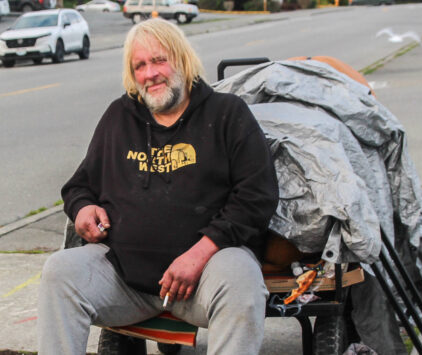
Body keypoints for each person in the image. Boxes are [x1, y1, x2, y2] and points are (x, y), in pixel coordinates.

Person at [38, 18, 279, 355]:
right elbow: (80, 185)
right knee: (59, 272)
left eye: (159, 60)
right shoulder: (118, 118)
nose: (150, 74)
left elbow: (258, 196)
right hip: (125, 279)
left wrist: (198, 254)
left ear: (182, 59)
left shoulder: (227, 114)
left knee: (242, 279)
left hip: (205, 277)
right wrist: (82, 209)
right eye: (139, 65)